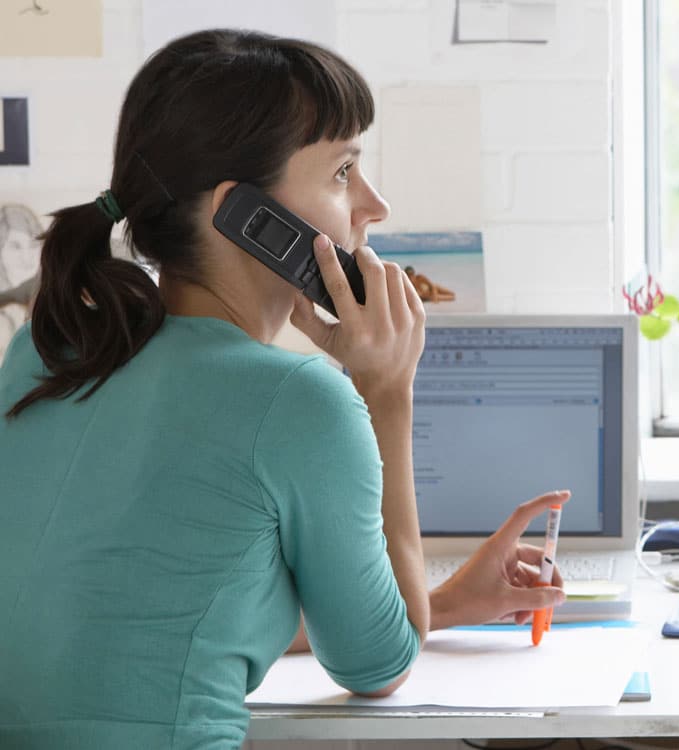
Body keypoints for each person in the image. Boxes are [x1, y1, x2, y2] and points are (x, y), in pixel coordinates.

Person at [0, 29, 568, 749]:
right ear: (246, 217)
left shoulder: (47, 351)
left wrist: (441, 603)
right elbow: (378, 662)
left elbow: (151, 614)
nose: (375, 205)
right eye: (342, 173)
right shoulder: (301, 400)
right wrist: (383, 391)